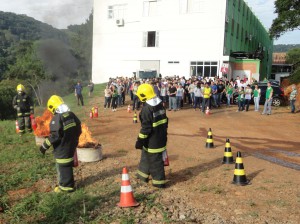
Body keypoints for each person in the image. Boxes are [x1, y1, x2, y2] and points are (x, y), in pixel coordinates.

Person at [39, 95, 82, 193]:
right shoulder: (71, 114)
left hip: (62, 148)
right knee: (67, 164)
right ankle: (68, 182)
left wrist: (44, 146)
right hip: (71, 146)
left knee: (63, 166)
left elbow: (55, 136)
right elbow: (78, 128)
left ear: (52, 107)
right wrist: (74, 139)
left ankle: (66, 187)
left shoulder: (57, 118)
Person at [135, 83, 168, 188]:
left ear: (143, 96)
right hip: (160, 137)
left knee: (155, 161)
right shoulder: (159, 104)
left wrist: (140, 140)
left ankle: (159, 183)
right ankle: (142, 176)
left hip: (153, 141)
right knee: (145, 156)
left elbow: (146, 128)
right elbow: (166, 121)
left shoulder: (146, 109)